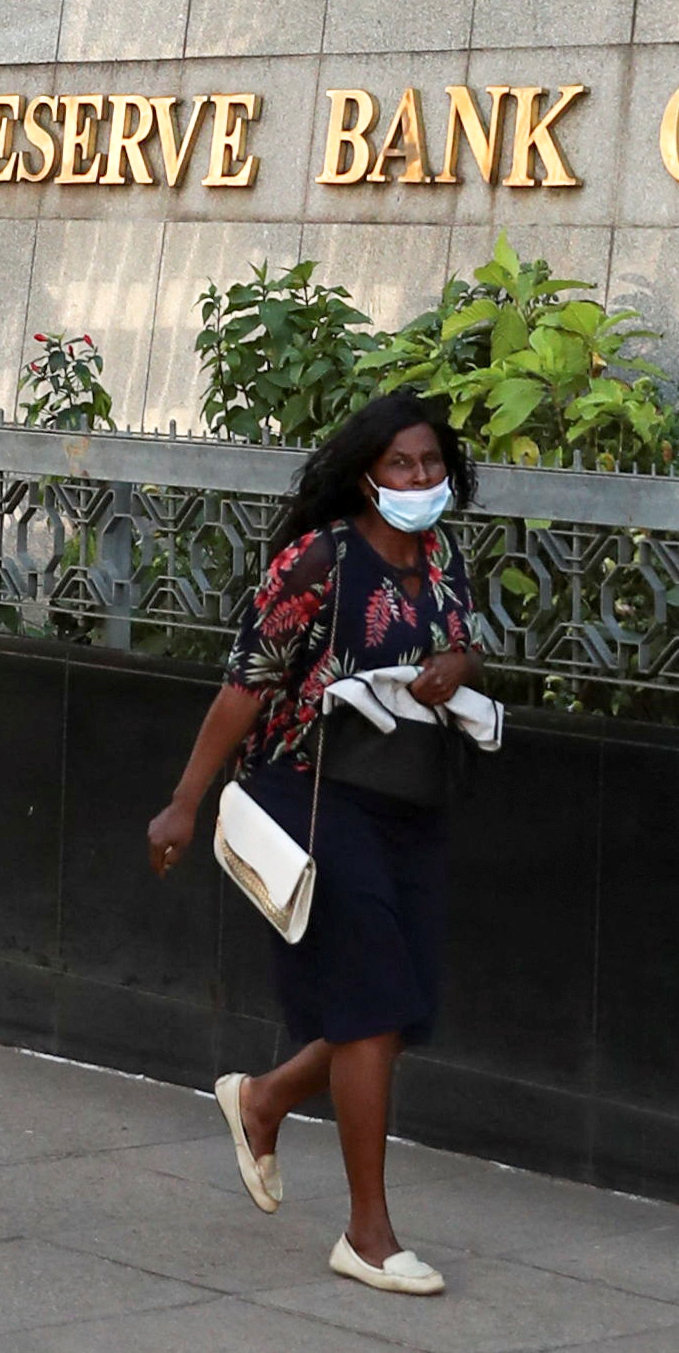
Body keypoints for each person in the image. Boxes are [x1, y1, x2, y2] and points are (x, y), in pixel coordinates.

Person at [145, 388, 482, 1297]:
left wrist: (458, 667)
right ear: (367, 474)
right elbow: (243, 687)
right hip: (310, 791)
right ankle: (367, 1235)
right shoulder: (318, 561)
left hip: (408, 798)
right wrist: (184, 803)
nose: (419, 479)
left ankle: (263, 1097)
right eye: (401, 464)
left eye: (431, 463)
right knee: (372, 1004)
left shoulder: (442, 557)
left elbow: (456, 649)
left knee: (398, 1007)